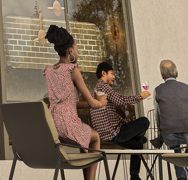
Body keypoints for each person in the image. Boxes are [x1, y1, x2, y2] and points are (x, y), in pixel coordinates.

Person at [43, 25, 108, 180]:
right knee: (95, 137)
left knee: (85, 137)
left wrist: (92, 102)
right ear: (70, 51)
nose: (77, 52)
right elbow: (92, 103)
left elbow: (68, 102)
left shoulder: (50, 71)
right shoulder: (72, 70)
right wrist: (101, 102)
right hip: (67, 124)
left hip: (53, 124)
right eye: (77, 49)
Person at [90, 59, 150, 180]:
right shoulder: (104, 87)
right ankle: (137, 137)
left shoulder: (96, 90)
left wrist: (127, 124)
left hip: (105, 136)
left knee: (138, 145)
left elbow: (111, 115)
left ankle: (134, 176)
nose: (114, 77)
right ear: (103, 73)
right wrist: (140, 96)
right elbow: (120, 100)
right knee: (144, 121)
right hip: (114, 134)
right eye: (112, 73)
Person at [153, 60, 188, 180]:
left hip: (169, 136)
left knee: (173, 144)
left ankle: (181, 176)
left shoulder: (157, 90)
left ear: (162, 75)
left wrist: (159, 129)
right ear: (177, 73)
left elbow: (157, 115)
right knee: (178, 140)